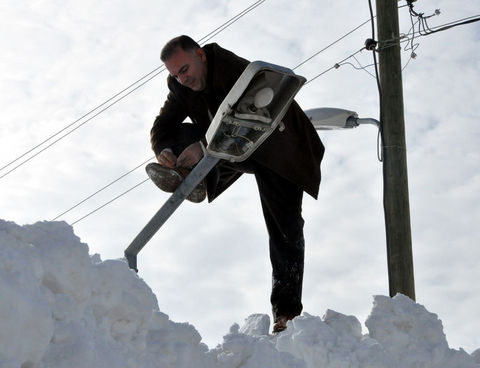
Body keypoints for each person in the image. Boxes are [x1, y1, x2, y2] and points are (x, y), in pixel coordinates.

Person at [149, 35, 325, 333]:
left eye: (185, 69)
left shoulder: (236, 71)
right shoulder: (180, 87)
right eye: (175, 74)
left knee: (284, 229)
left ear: (201, 55)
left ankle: (286, 313)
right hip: (237, 147)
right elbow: (162, 127)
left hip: (282, 147)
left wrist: (204, 147)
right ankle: (188, 177)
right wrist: (164, 151)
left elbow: (247, 119)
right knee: (179, 136)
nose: (183, 78)